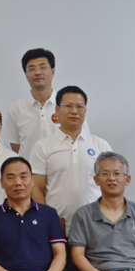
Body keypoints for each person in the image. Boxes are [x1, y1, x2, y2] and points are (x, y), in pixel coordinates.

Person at [31, 85, 111, 230]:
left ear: (85, 111)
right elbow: (36, 187)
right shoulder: (43, 146)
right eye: (68, 106)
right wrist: (45, 220)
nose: (74, 111)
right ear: (57, 110)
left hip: (96, 226)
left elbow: (111, 185)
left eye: (79, 107)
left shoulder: (101, 146)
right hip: (57, 226)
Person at [4, 49, 89, 159]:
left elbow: (82, 139)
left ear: (53, 72)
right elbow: (16, 148)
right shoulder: (16, 109)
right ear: (25, 74)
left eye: (43, 67)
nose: (38, 72)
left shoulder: (69, 106)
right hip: (30, 169)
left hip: (62, 168)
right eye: (32, 68)